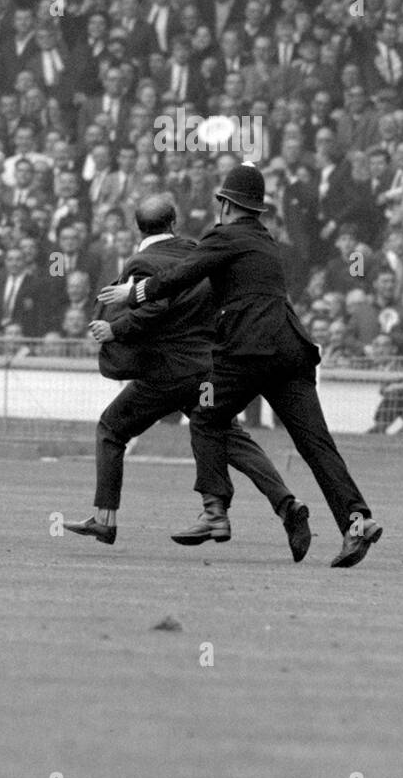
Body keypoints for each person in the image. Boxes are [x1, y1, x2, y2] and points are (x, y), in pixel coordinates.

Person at [98, 164, 383, 568]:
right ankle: (357, 521)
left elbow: (182, 275)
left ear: (226, 204)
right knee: (316, 444)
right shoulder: (265, 242)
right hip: (291, 350)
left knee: (205, 417)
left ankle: (214, 513)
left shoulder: (225, 236)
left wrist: (135, 292)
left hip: (251, 350)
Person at [64, 194, 311, 559]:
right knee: (229, 439)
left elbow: (156, 307)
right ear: (174, 222)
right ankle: (287, 505)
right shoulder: (198, 252)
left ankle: (105, 518)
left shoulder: (142, 262)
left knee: (111, 428)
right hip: (209, 369)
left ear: (138, 228)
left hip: (168, 373)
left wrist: (114, 330)